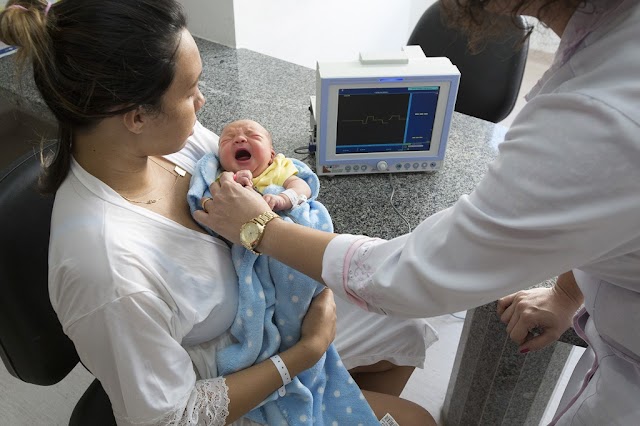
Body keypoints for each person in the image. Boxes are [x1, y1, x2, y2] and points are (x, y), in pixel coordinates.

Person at [197, 0, 640, 424]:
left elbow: (418, 275)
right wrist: (568, 293)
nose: (202, 104)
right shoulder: (609, 62)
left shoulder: (600, 118)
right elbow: (608, 210)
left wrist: (262, 228)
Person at [0, 0, 438, 424]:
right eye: (190, 92)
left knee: (405, 322)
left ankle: (332, 398)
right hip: (228, 364)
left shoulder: (168, 145)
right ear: (136, 116)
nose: (203, 102)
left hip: (266, 312)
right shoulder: (109, 272)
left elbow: (263, 179)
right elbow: (171, 418)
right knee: (417, 420)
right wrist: (305, 354)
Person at [216, 119, 312, 211]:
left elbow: (303, 188)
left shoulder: (276, 169)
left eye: (253, 135)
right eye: (227, 139)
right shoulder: (222, 179)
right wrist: (237, 184)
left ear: (271, 155)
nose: (239, 139)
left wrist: (283, 199)